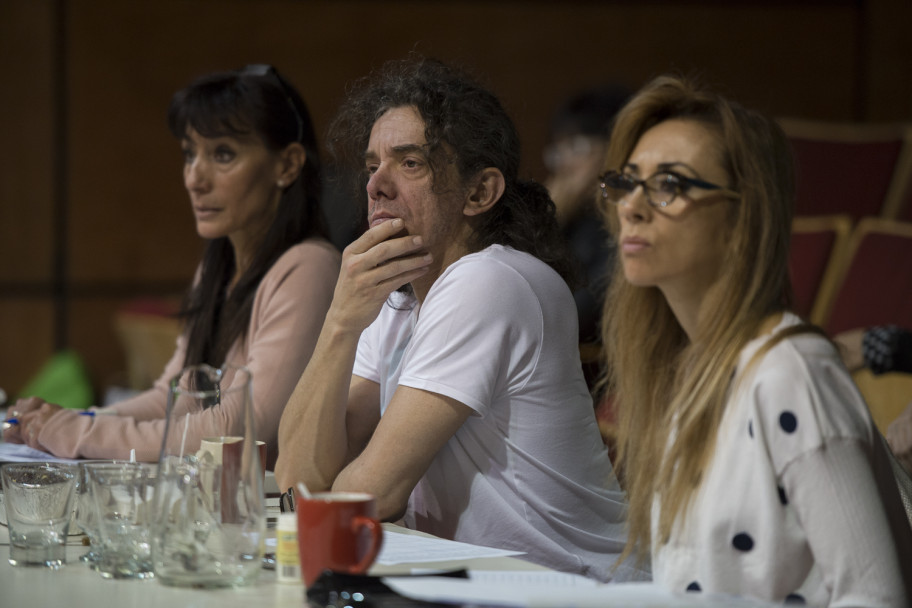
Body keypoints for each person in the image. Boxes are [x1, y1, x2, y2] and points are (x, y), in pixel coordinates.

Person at [275, 57, 643, 582]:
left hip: (578, 589)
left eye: (409, 163)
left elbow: (368, 497)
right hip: (484, 585)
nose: (376, 184)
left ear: (479, 192)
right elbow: (299, 478)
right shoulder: (396, 298)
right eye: (370, 165)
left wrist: (316, 494)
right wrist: (339, 321)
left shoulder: (491, 280)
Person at [598, 75, 912, 605]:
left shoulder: (791, 370)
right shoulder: (681, 369)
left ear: (742, 216)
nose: (632, 205)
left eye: (670, 185)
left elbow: (875, 597)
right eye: (627, 182)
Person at [3, 65, 341, 468]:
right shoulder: (217, 267)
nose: (194, 178)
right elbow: (173, 397)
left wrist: (77, 431)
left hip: (271, 515)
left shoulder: (310, 267)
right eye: (189, 153)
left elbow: (242, 427)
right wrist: (65, 419)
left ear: (287, 165)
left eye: (223, 154)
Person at [544, 85, 629, 342]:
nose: (564, 164)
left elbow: (567, 318)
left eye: (577, 146)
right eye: (558, 151)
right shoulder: (574, 221)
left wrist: (548, 220)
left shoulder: (628, 221)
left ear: (618, 146)